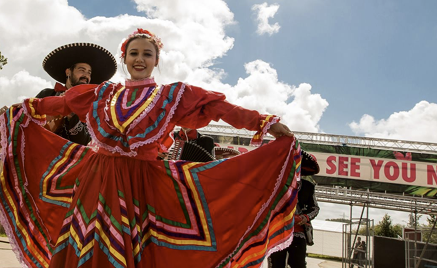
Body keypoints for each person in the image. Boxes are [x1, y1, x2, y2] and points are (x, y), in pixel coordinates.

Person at [0, 28, 300, 268]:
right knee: (84, 244)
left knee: (136, 248)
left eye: (147, 53)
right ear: (125, 58)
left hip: (140, 186)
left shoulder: (171, 97)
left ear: (157, 60)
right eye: (133, 53)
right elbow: (58, 103)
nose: (139, 59)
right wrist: (19, 111)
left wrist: (263, 122)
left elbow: (218, 108)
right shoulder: (102, 94)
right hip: (94, 181)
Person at [37, 42, 117, 145]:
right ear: (68, 72)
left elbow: (85, 142)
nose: (86, 75)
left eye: (89, 73)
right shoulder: (47, 93)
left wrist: (72, 115)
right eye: (81, 70)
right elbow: (26, 122)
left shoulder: (93, 106)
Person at [268, 150, 320, 268]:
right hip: (278, 229)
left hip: (298, 231)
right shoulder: (276, 183)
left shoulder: (308, 186)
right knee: (276, 264)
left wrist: (305, 217)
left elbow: (315, 208)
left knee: (298, 264)